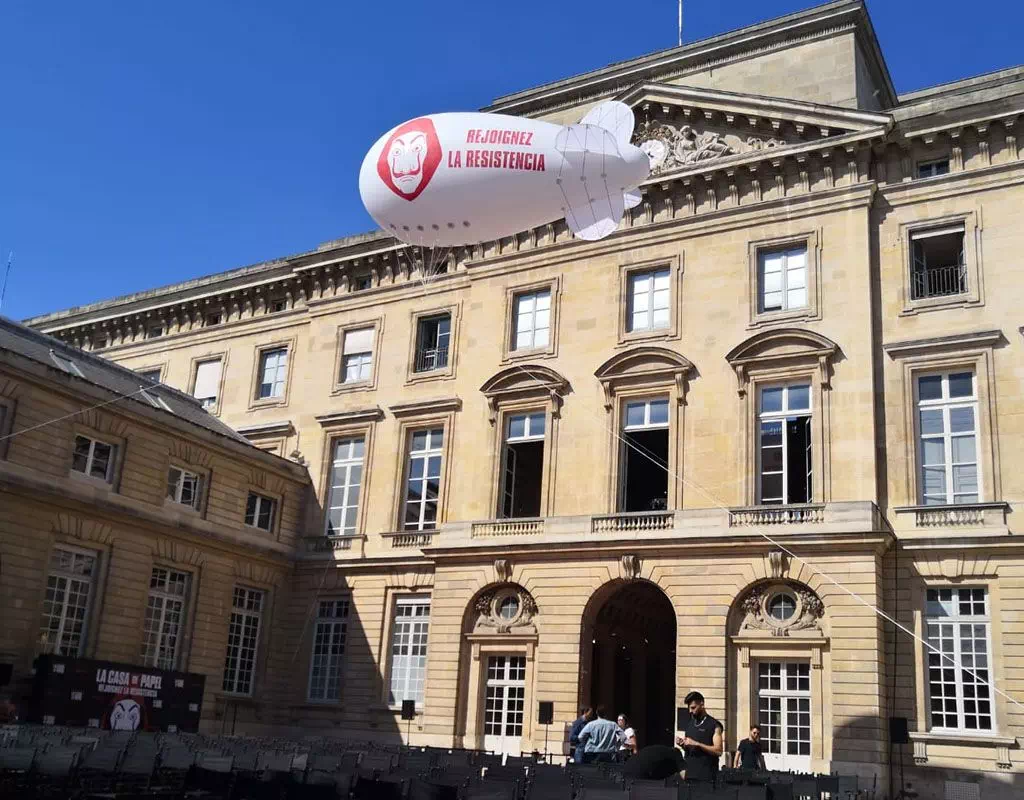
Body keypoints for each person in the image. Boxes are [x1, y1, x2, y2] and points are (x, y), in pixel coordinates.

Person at [675, 691, 724, 784]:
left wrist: (696, 743)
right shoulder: (690, 724)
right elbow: (690, 750)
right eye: (689, 708)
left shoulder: (714, 725)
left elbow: (718, 751)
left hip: (706, 776)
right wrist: (683, 745)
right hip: (689, 774)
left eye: (693, 708)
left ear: (702, 704)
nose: (690, 711)